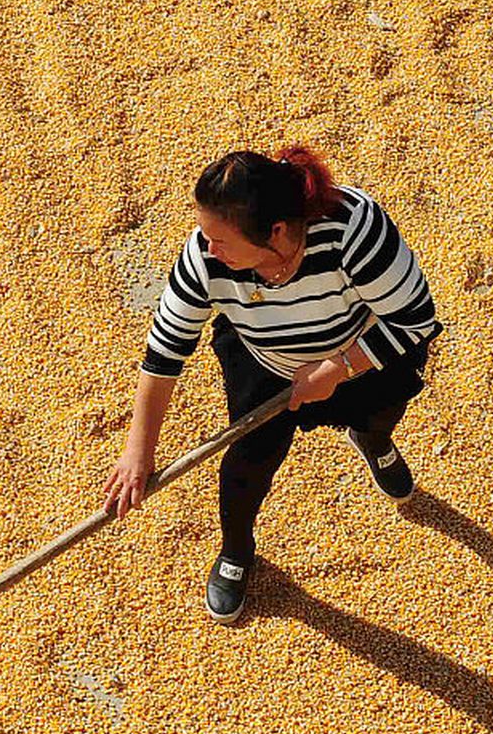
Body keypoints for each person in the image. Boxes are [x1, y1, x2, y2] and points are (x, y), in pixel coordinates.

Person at [101, 145, 443, 624]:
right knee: (246, 467)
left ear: (277, 232)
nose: (208, 249)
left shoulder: (354, 229)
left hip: (363, 354)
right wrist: (140, 448)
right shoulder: (205, 258)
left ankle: (371, 439)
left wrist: (339, 368)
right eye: (204, 234)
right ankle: (237, 551)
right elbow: (165, 352)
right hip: (265, 365)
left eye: (221, 240)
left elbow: (415, 320)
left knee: (382, 414)